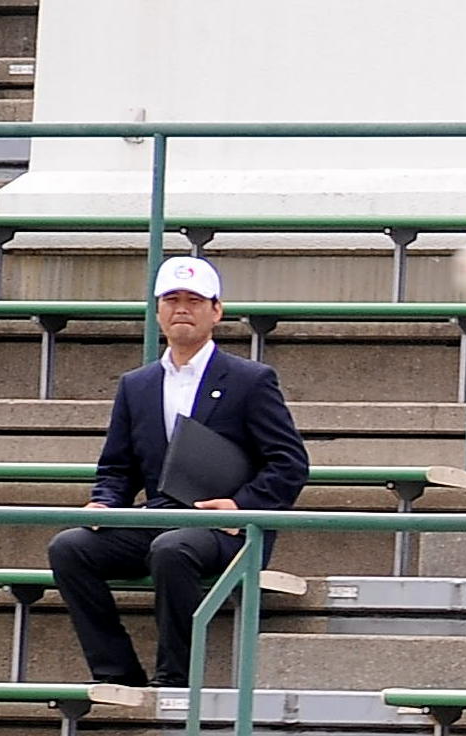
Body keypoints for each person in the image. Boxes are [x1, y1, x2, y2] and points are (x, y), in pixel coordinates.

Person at [46, 255, 308, 692]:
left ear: (216, 311)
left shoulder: (251, 379)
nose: (181, 308)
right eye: (171, 299)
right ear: (157, 309)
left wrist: (241, 505)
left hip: (231, 527)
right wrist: (105, 502)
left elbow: (289, 463)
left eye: (193, 300)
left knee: (172, 549)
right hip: (163, 514)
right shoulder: (137, 384)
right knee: (70, 548)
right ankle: (118, 673)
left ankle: (176, 678)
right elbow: (118, 465)